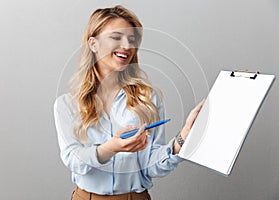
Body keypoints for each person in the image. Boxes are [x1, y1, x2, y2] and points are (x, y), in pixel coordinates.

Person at [54, 5, 204, 200]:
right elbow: (74, 160)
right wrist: (111, 147)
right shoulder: (67, 104)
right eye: (116, 37)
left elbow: (152, 166)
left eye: (132, 40)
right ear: (93, 44)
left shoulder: (147, 98)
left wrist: (183, 138)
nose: (127, 46)